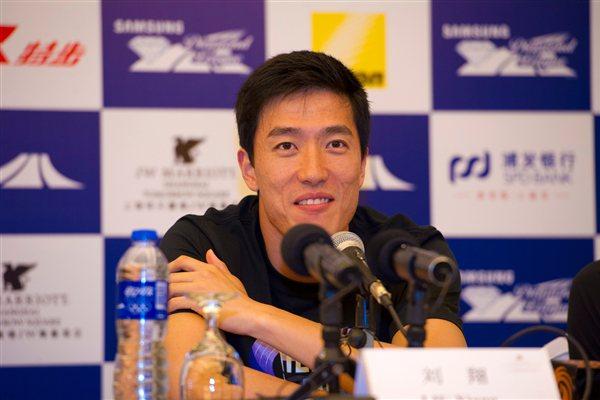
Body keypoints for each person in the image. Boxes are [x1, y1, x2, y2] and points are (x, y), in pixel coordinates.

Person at [160, 50, 466, 399]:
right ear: (249, 169)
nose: (313, 172)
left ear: (362, 164)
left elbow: (442, 385)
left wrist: (252, 315)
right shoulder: (204, 246)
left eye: (335, 144)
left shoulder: (408, 254)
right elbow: (193, 384)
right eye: (286, 146)